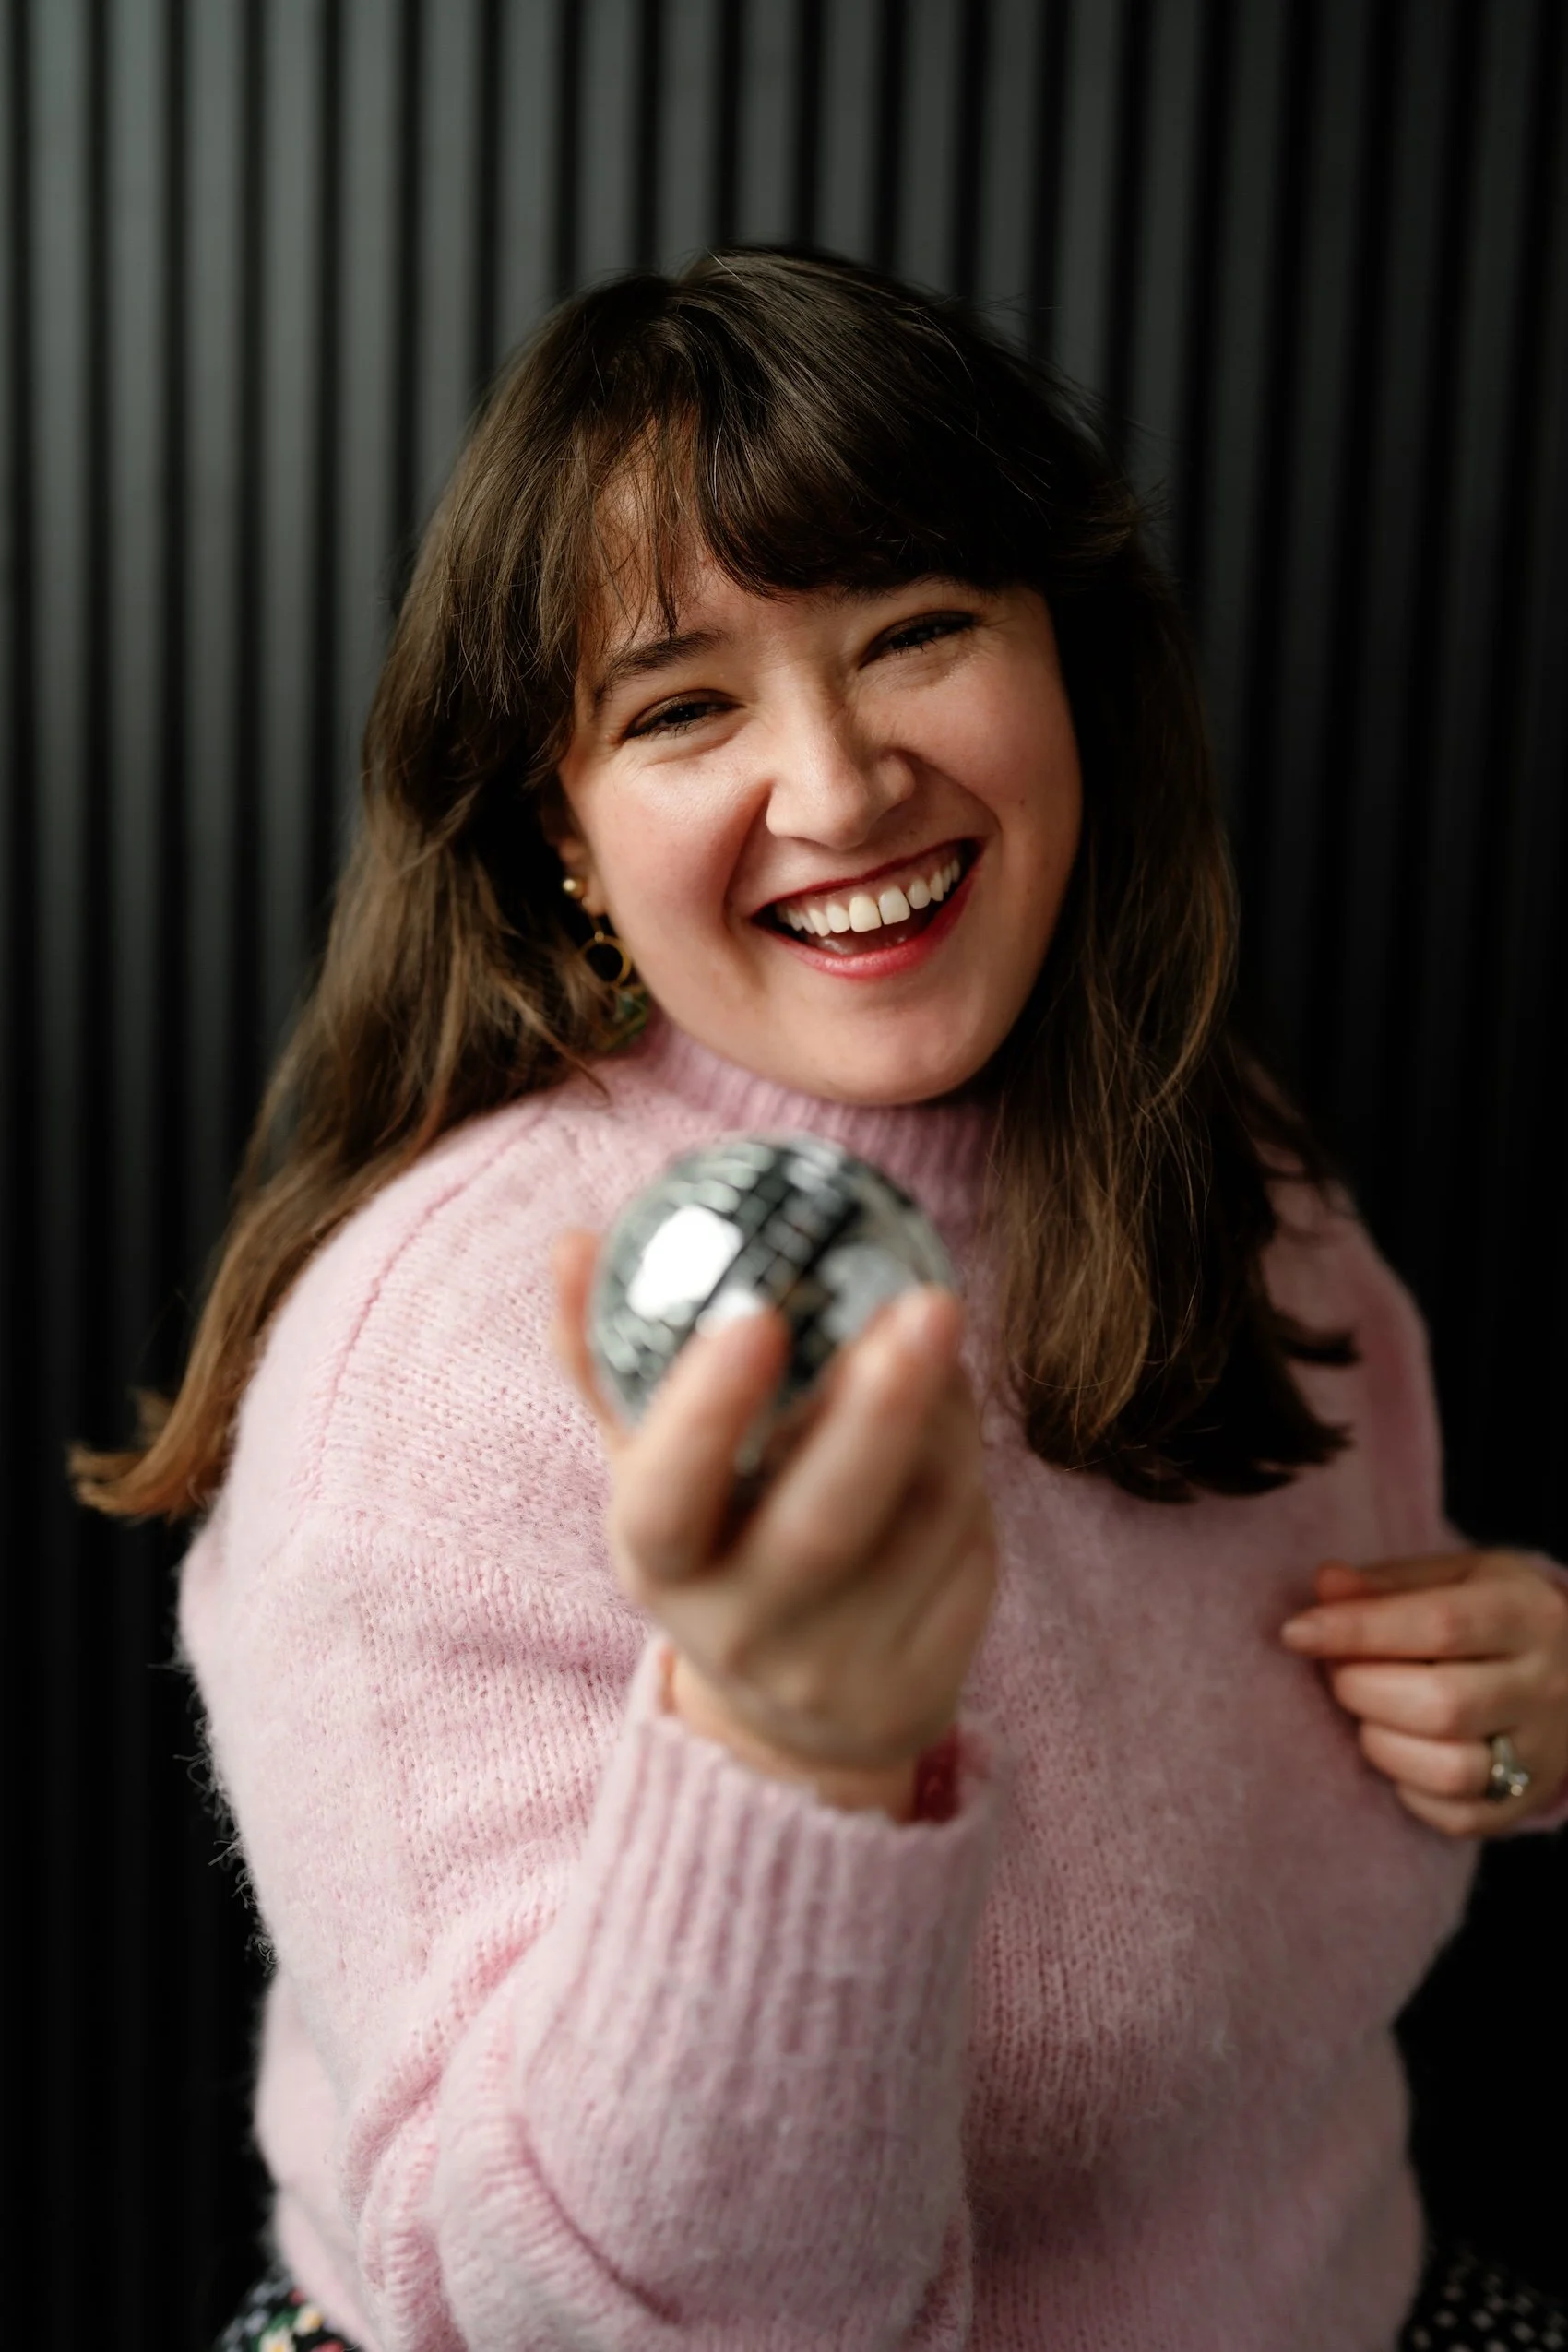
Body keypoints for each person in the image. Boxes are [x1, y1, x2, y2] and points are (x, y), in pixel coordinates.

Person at [77, 250, 1568, 2352]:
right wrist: (794, 1758)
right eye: (683, 706)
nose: (845, 783)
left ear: (1072, 676)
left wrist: (1516, 1729)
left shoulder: (1238, 1184)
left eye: (919, 631)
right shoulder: (433, 1359)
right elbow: (581, 2321)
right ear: (563, 837)